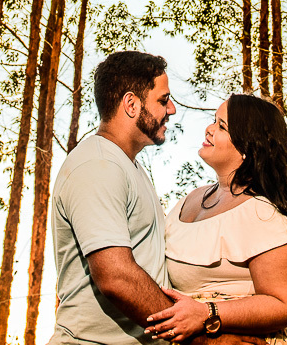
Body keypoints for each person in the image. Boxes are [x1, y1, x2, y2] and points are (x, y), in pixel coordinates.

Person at [48, 52, 268, 345]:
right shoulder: (97, 165)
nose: (172, 109)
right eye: (163, 100)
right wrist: (204, 341)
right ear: (131, 104)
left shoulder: (127, 167)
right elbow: (116, 277)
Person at [143, 94, 287, 344]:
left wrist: (208, 313)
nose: (209, 129)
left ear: (248, 147)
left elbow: (286, 305)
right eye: (214, 121)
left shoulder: (265, 215)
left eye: (221, 126)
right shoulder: (189, 200)